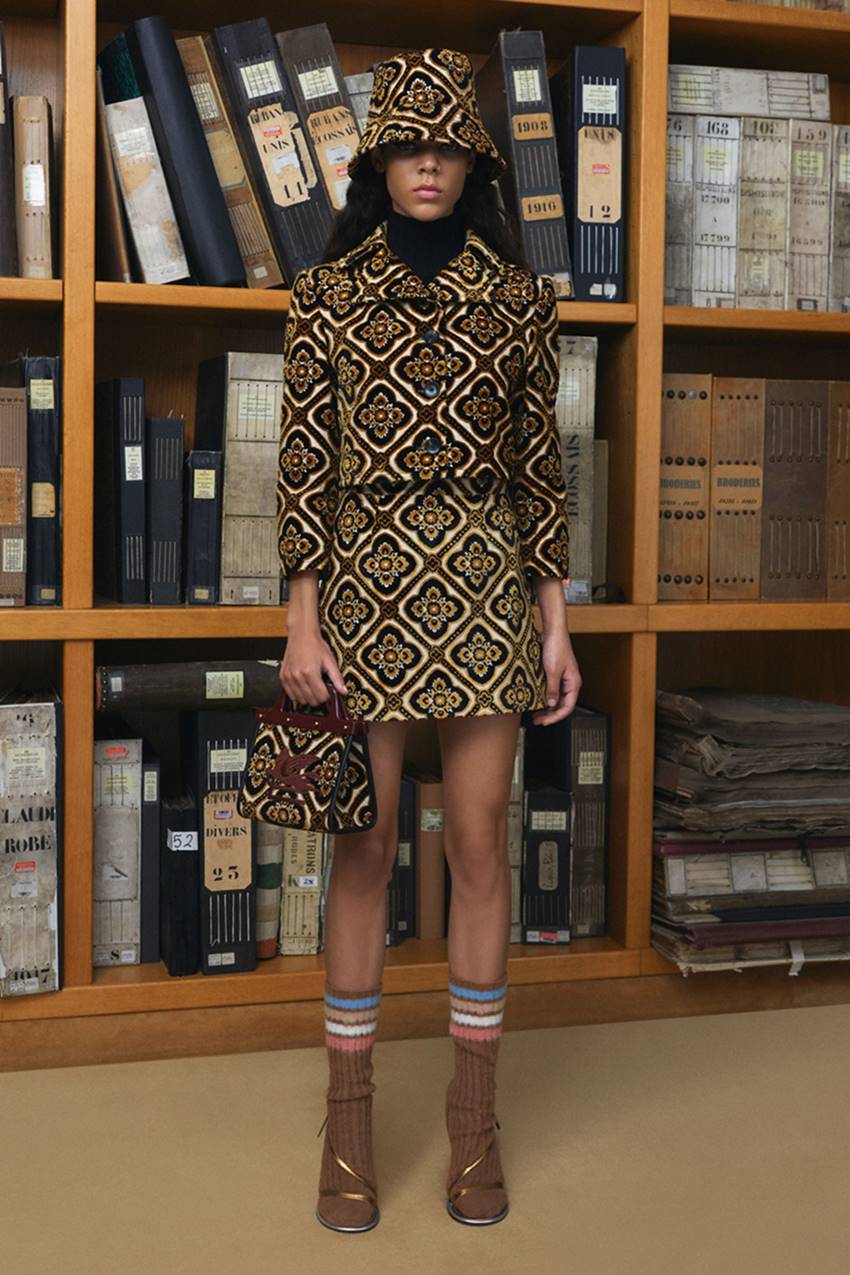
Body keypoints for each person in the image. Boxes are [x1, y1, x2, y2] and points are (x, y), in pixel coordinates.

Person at [276, 47, 582, 1232]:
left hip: (487, 589)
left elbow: (540, 477)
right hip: (358, 593)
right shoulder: (324, 297)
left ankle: (471, 1125)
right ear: (377, 162)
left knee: (479, 847)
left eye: (448, 147)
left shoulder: (520, 301)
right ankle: (347, 1124)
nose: (427, 165)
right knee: (362, 853)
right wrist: (299, 621)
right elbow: (303, 469)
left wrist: (556, 628)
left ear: (475, 166)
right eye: (408, 146)